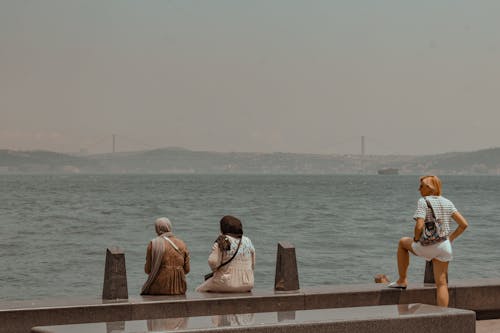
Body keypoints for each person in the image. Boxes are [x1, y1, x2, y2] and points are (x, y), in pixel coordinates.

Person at [388, 175, 468, 307]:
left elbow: (419, 225)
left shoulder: (423, 201)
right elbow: (464, 224)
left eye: (421, 186)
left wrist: (416, 238)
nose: (418, 189)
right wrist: (451, 238)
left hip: (428, 245)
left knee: (403, 243)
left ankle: (402, 280)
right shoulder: (448, 202)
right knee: (441, 284)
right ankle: (443, 317)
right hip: (444, 246)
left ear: (430, 188)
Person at [196, 215, 255, 293]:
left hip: (226, 282)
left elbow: (213, 262)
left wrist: (216, 270)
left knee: (199, 290)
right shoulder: (247, 240)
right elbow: (253, 264)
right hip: (248, 283)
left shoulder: (223, 240)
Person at [141, 217, 190, 295]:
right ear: (169, 227)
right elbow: (187, 270)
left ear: (157, 229)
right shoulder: (182, 244)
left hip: (159, 288)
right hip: (180, 288)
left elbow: (147, 270)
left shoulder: (153, 244)